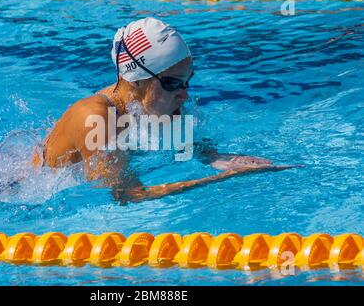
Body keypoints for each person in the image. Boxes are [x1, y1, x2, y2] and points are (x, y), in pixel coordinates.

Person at [30, 17, 297, 202]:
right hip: (22, 190)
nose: (185, 93)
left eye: (187, 81)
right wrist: (225, 178)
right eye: (172, 83)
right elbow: (127, 195)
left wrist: (220, 159)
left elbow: (193, 145)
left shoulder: (158, 103)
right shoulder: (96, 118)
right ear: (137, 81)